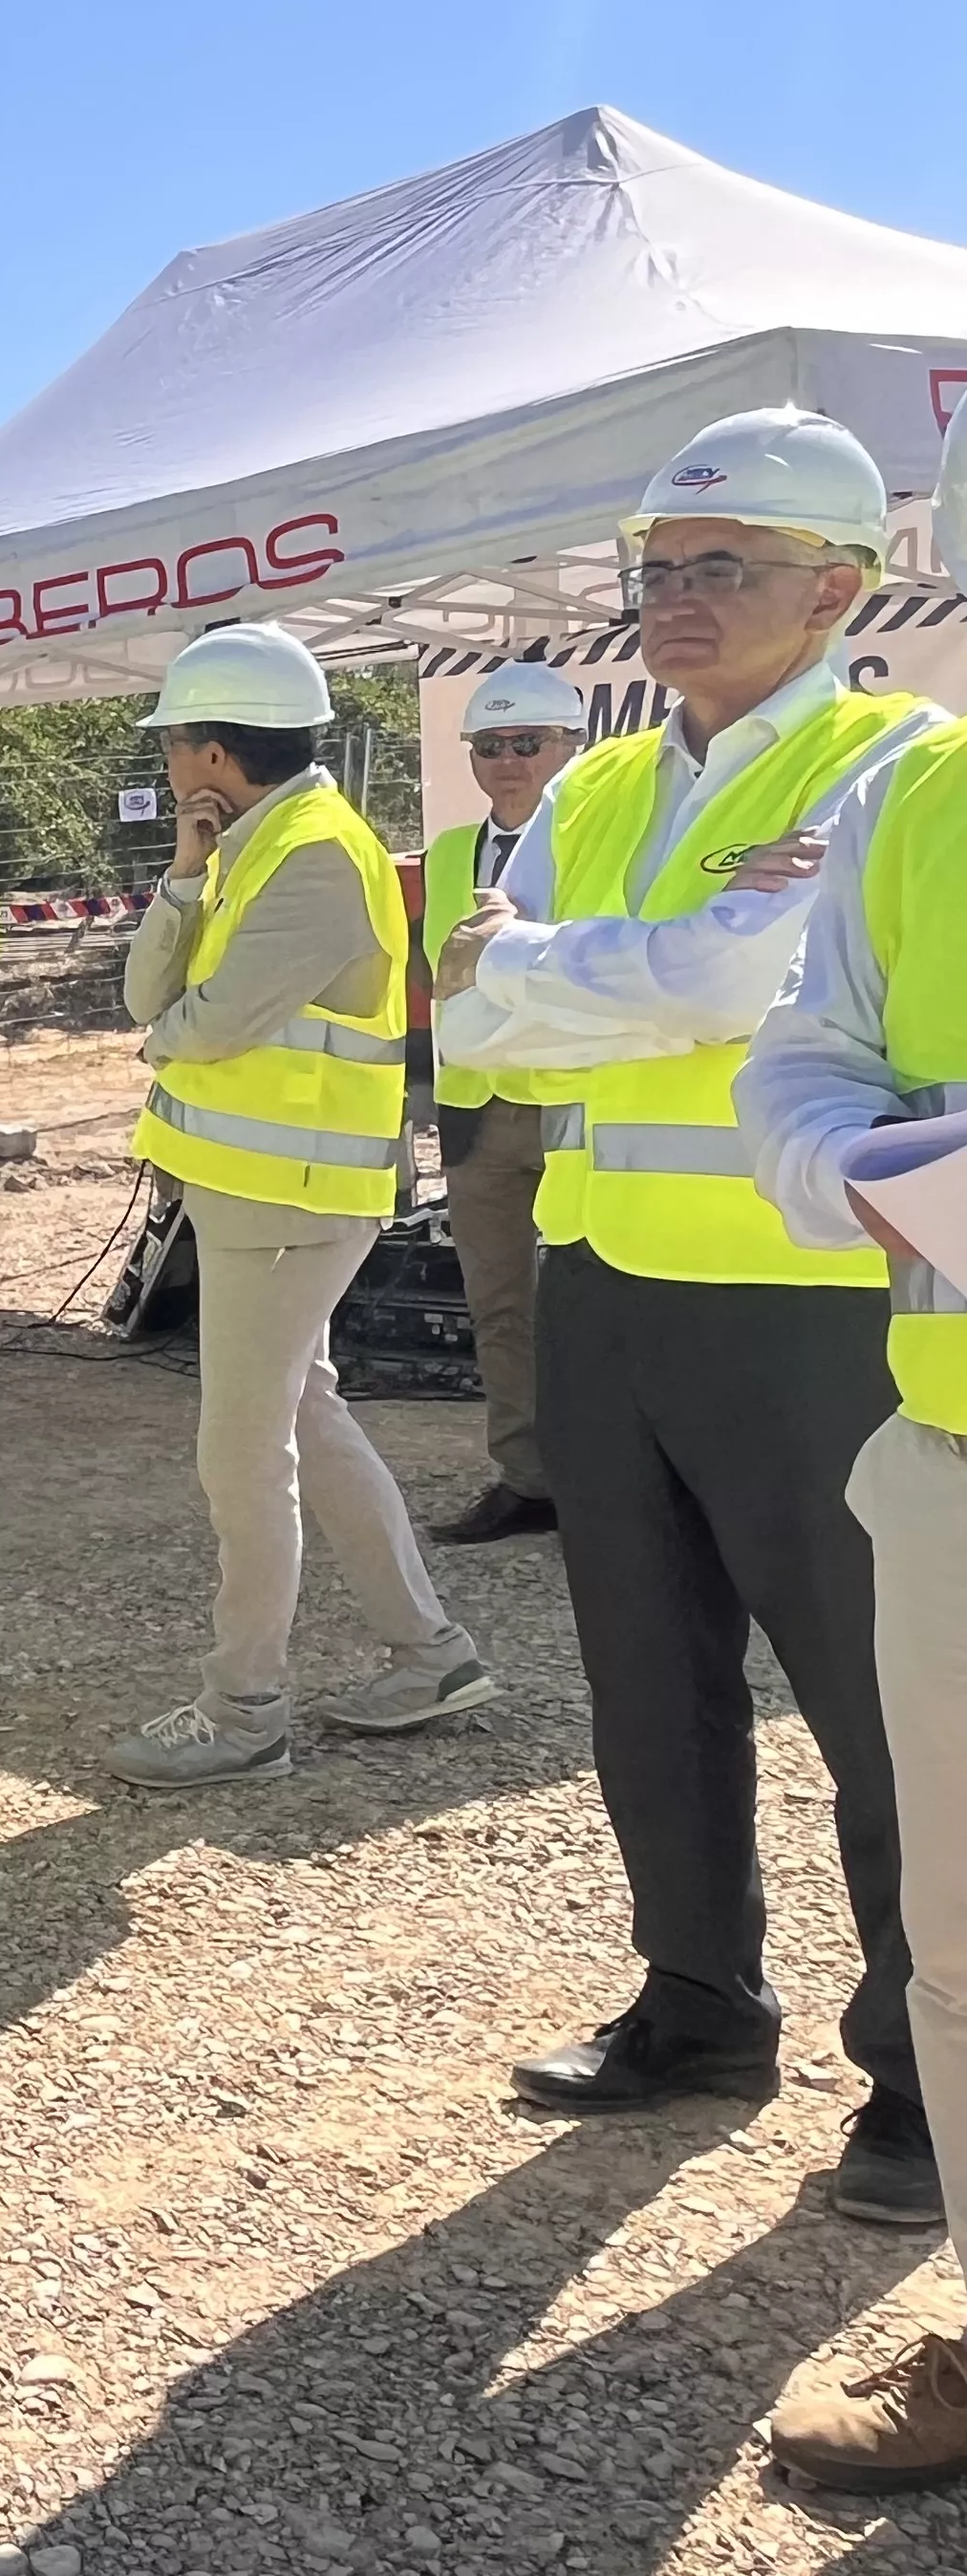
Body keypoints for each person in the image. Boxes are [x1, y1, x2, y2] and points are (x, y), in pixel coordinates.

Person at [435, 406, 943, 2221]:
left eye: (725, 566)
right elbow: (469, 1012)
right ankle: (698, 2003)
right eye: (656, 569)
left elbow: (753, 981)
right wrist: (606, 983)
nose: (676, 598)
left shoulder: (889, 766)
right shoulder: (592, 790)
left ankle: (923, 2073)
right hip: (608, 1285)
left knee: (884, 1710)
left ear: (839, 587)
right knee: (647, 1682)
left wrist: (550, 974)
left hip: (808, 1304)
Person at [738, 414, 967, 2482]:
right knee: (964, 1944)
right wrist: (861, 1173)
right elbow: (802, 1056)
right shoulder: (922, 799)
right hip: (955, 1452)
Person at [108, 621, 490, 1789]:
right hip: (265, 1194)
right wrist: (183, 873)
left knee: (244, 1450)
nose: (169, 760)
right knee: (305, 1418)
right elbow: (151, 991)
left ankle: (246, 1708)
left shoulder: (314, 853)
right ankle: (431, 1655)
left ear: (214, 754)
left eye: (174, 743)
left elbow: (197, 1022)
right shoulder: (256, 841)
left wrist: (165, 1039)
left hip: (289, 1198)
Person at [416, 660, 590, 1545]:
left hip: (572, 1105)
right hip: (478, 1113)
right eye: (491, 745)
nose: (509, 760)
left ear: (572, 746)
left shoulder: (607, 842)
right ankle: (529, 1481)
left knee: (594, 1309)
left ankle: (615, 1489)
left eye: (529, 742)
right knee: (500, 1306)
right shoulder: (449, 853)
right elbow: (437, 980)